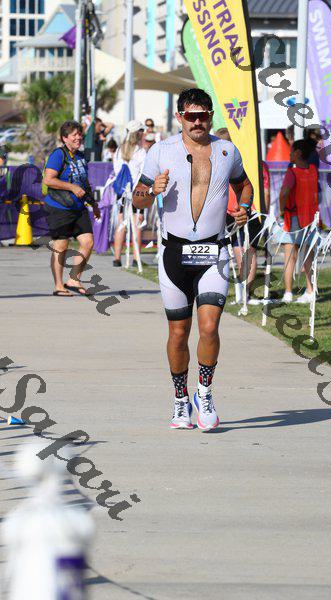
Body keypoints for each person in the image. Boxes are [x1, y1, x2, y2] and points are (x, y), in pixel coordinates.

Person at [133, 88, 253, 430]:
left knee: (210, 327)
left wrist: (244, 208)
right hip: (174, 252)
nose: (197, 122)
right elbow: (137, 199)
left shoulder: (227, 150)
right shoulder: (161, 151)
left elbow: (245, 185)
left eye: (203, 116)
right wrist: (151, 191)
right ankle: (180, 399)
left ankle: (205, 392)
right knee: (178, 332)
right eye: (191, 116)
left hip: (214, 251)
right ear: (180, 117)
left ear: (211, 117)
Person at [43, 120, 100, 297]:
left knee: (88, 242)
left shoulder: (81, 156)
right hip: (59, 207)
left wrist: (94, 204)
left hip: (78, 207)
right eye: (74, 135)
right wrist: (72, 187)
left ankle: (74, 280)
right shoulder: (58, 155)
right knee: (61, 245)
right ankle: (59, 286)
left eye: (79, 134)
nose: (78, 137)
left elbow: (84, 183)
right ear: (64, 138)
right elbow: (48, 179)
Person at [216, 127, 270, 304]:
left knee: (243, 252)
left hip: (242, 211)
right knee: (245, 252)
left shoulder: (227, 161)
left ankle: (245, 293)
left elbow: (265, 190)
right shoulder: (257, 163)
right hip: (240, 211)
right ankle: (244, 293)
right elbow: (266, 191)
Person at [277, 139, 319, 304]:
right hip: (310, 217)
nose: (289, 154)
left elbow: (284, 192)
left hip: (294, 216)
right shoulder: (313, 170)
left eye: (291, 151)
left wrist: (281, 209)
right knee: (309, 255)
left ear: (298, 153)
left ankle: (288, 292)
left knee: (290, 255)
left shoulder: (292, 172)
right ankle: (310, 290)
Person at [112, 121, 146, 267]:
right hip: (136, 191)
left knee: (121, 224)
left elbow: (116, 171)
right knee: (137, 224)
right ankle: (136, 258)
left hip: (121, 192)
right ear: (138, 133)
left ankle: (117, 258)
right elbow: (143, 173)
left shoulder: (118, 151)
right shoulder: (140, 151)